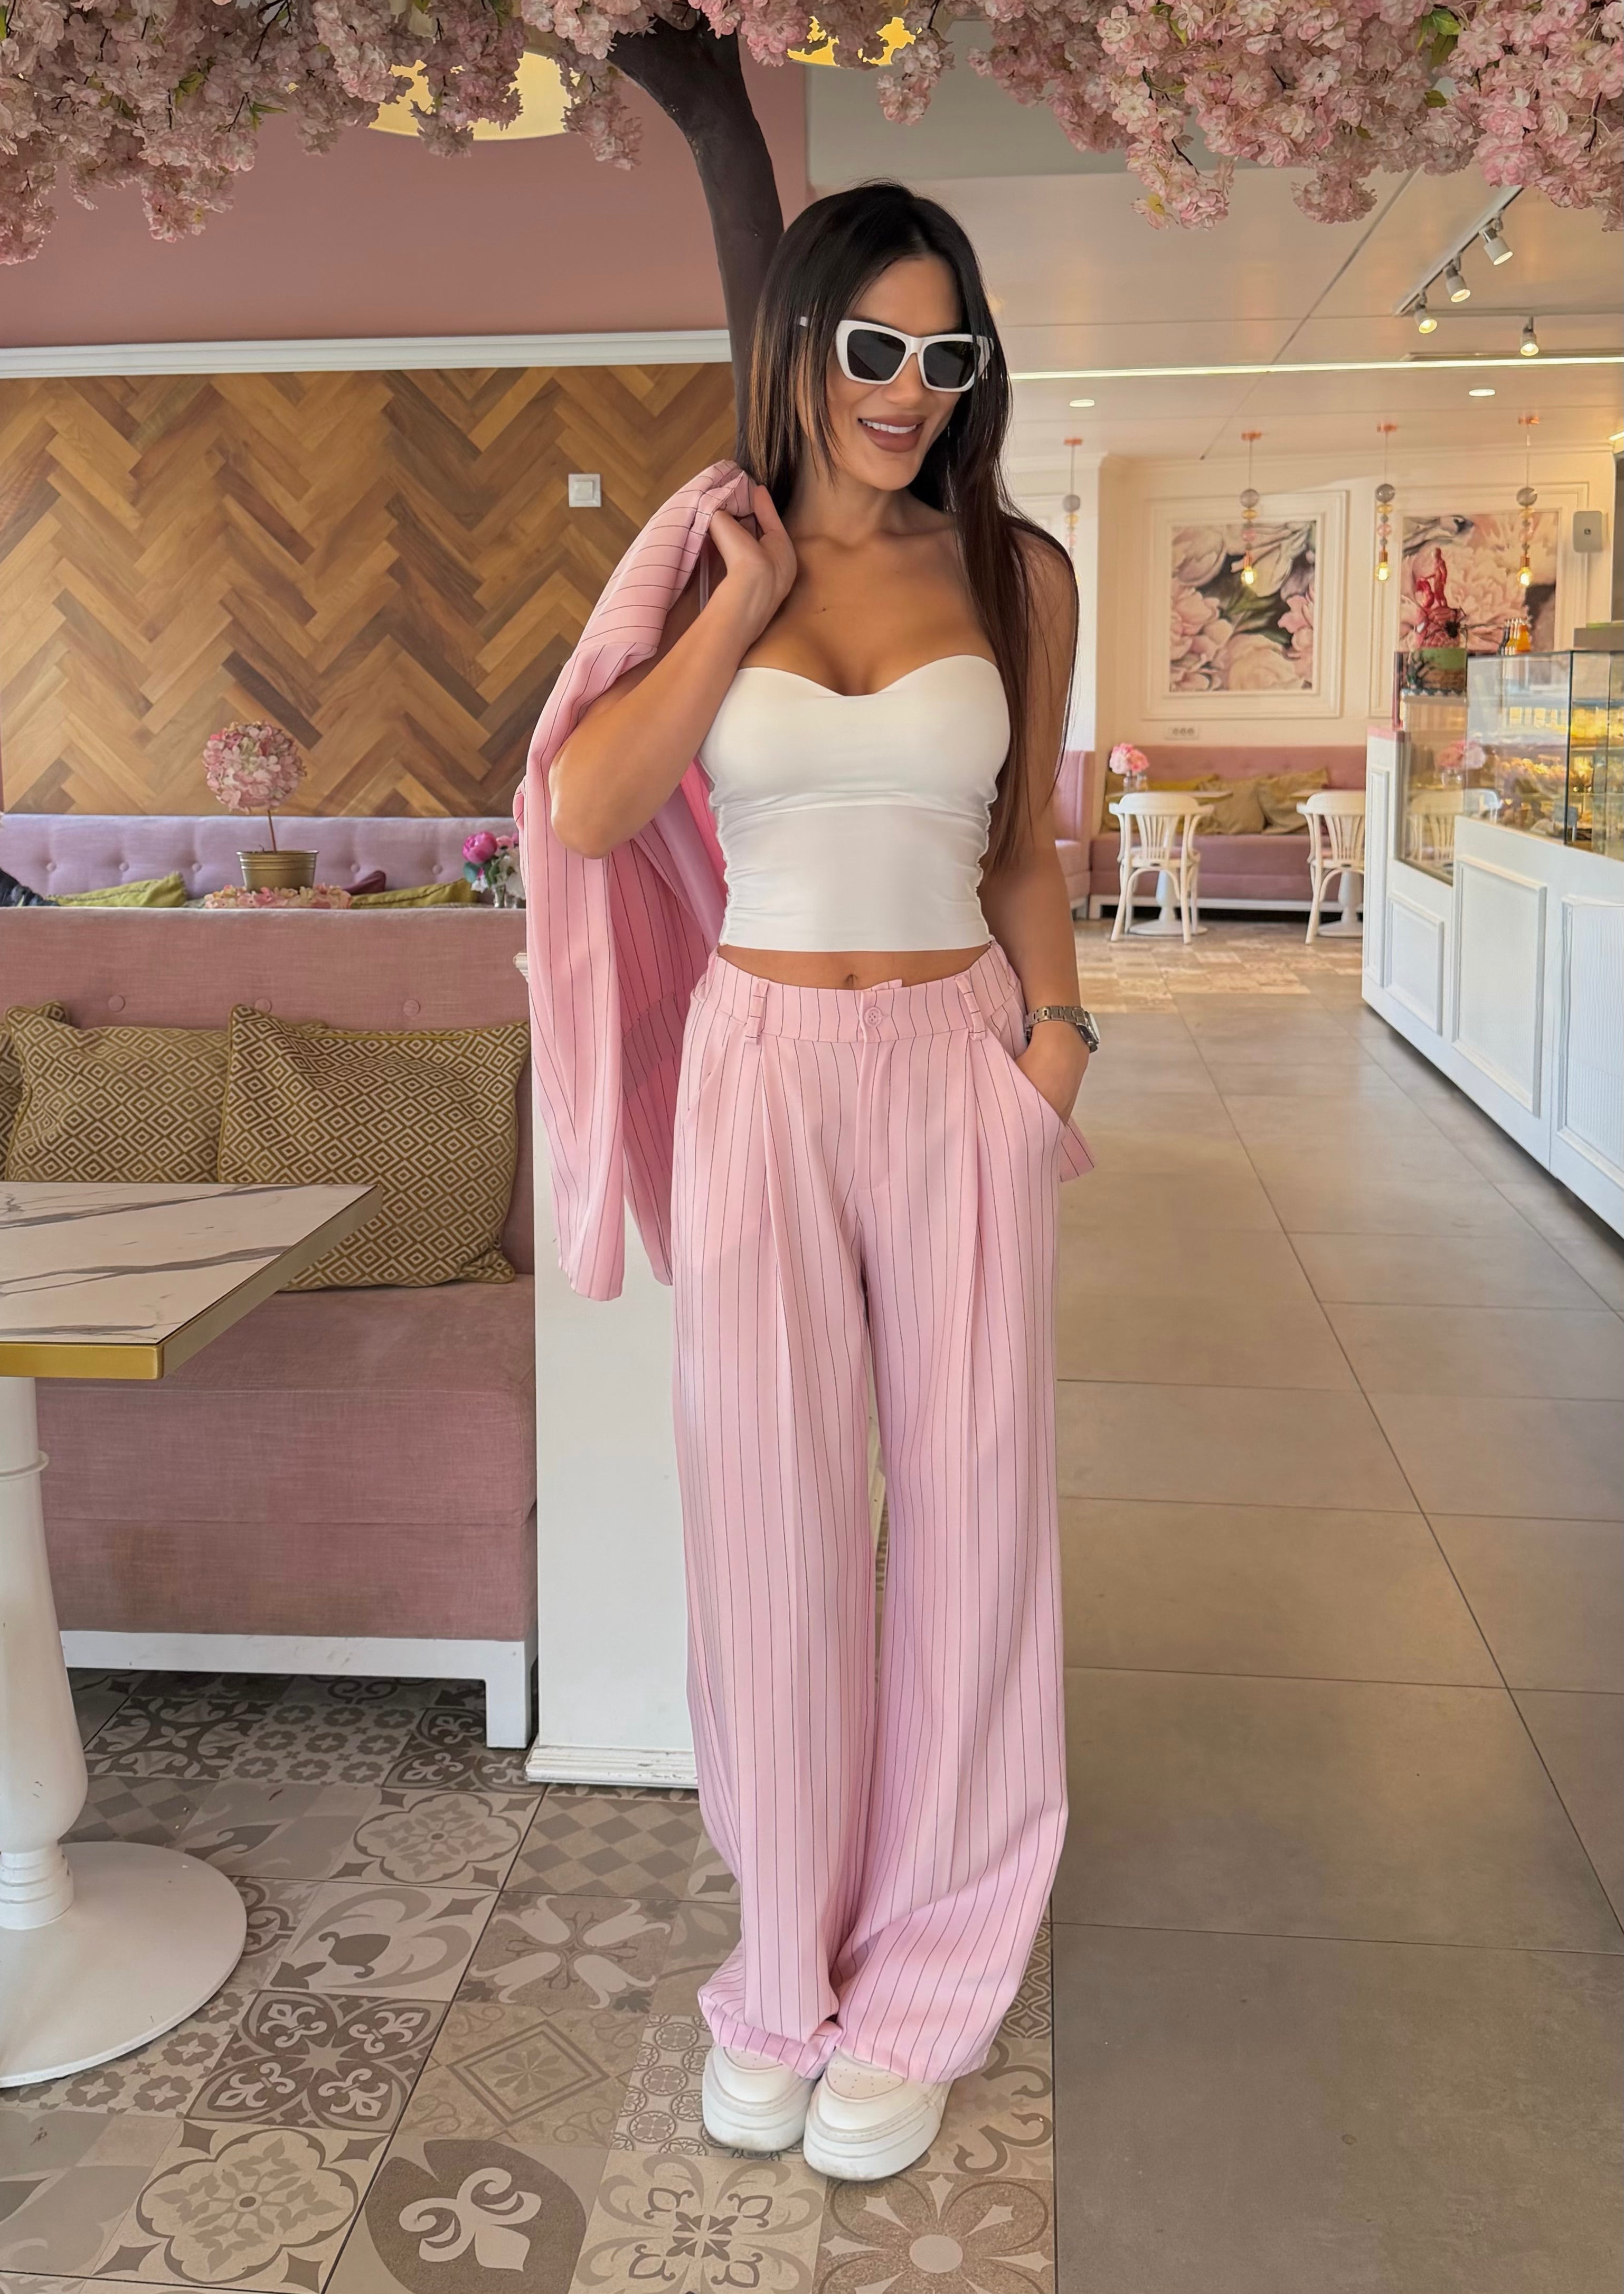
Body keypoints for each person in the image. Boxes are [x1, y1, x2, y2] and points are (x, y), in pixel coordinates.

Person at [531, 182, 1095, 2183]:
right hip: (760, 1070)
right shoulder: (707, 555)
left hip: (959, 1063)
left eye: (946, 356)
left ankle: (929, 1972)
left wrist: (1058, 1042)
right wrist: (742, 608)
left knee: (971, 1528)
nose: (908, 390)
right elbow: (589, 807)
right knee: (768, 1529)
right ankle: (785, 1968)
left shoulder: (1016, 567)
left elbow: (1018, 841)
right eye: (873, 348)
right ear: (795, 345)